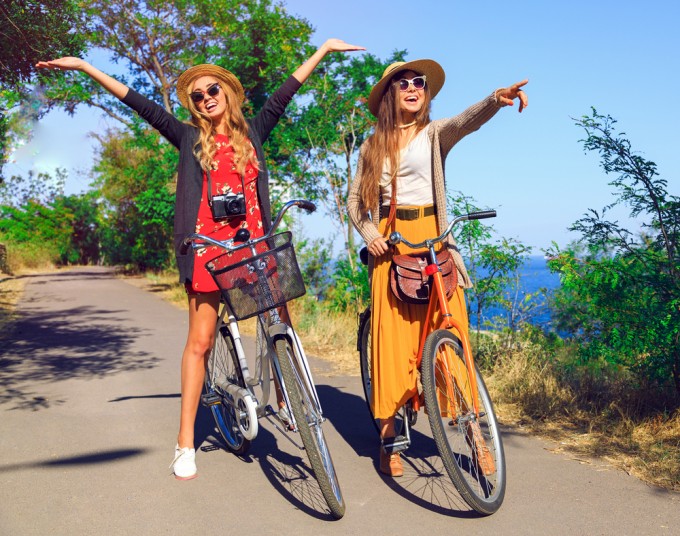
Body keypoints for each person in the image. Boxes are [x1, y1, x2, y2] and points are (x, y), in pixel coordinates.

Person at [37, 38, 364, 480]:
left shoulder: (253, 132)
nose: (207, 98)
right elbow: (139, 103)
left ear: (227, 93)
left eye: (213, 90)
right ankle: (184, 442)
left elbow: (287, 90)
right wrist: (83, 66)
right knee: (200, 343)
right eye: (198, 95)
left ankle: (287, 397)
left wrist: (323, 50)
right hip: (208, 252)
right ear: (192, 105)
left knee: (280, 318)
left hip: (253, 247)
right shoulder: (189, 138)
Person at [347, 59, 527, 477]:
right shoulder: (372, 146)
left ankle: (475, 438)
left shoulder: (433, 134)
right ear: (390, 93)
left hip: (434, 240)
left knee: (451, 337)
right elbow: (357, 203)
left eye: (419, 83)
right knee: (392, 347)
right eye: (403, 82)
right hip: (391, 246)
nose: (413, 88)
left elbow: (465, 122)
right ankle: (389, 438)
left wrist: (495, 100)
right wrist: (370, 233)